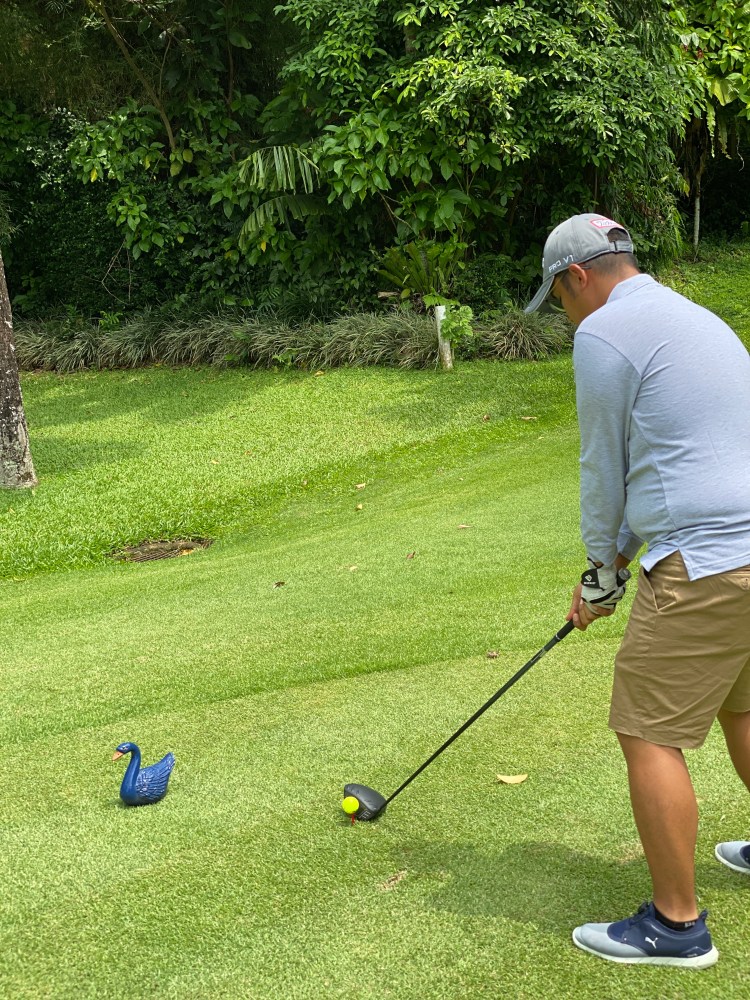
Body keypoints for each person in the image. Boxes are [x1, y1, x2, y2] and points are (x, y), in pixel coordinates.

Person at [525, 213, 750, 968]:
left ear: (576, 277)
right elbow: (670, 460)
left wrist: (600, 571)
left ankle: (676, 927)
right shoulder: (694, 316)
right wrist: (615, 566)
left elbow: (604, 467)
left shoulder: (604, 332)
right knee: (743, 706)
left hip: (706, 562)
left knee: (648, 732)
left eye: (560, 298)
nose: (565, 314)